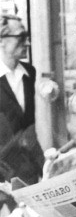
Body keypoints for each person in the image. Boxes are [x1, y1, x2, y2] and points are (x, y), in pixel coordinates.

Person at [0, 13, 43, 184]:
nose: (27, 42)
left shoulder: (29, 73)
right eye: (21, 37)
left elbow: (28, 127)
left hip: (26, 170)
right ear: (2, 40)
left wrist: (42, 164)